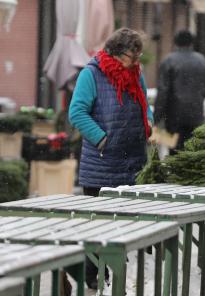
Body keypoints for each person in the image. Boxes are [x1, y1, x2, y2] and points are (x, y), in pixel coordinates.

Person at [69, 27, 153, 289]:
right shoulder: (91, 74)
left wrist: (148, 124)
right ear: (115, 54)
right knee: (98, 226)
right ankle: (88, 276)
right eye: (131, 56)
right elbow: (77, 112)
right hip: (102, 165)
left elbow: (145, 105)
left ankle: (110, 276)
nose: (136, 62)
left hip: (132, 163)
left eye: (138, 56)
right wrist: (103, 139)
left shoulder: (135, 74)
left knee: (122, 226)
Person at [154, 30, 205, 152]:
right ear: (192, 43)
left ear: (175, 43)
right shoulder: (202, 61)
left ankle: (176, 170)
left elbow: (163, 92)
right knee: (193, 152)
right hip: (196, 115)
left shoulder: (168, 61)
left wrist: (156, 118)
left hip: (174, 117)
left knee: (175, 151)